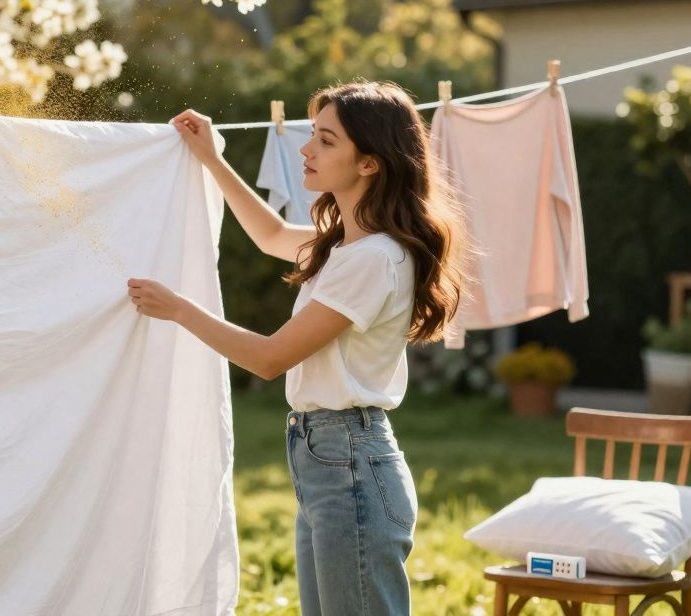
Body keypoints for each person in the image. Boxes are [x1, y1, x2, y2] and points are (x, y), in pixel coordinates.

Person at [127, 81, 466, 615]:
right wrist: (213, 161)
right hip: (328, 461)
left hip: (348, 463)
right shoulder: (348, 246)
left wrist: (179, 309)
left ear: (370, 163)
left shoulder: (374, 259)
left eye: (327, 141)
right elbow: (268, 236)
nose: (307, 150)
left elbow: (268, 358)